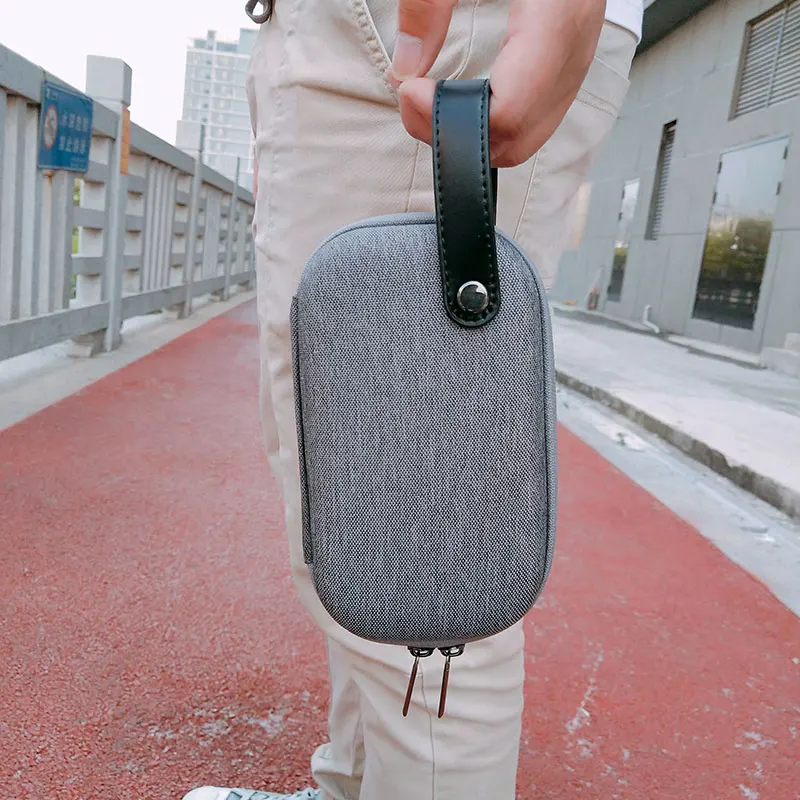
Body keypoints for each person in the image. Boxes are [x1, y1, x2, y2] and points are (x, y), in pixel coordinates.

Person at [185, 1, 642, 798]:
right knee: (354, 532)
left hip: (432, 29)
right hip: (364, 31)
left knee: (422, 571)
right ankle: (350, 784)